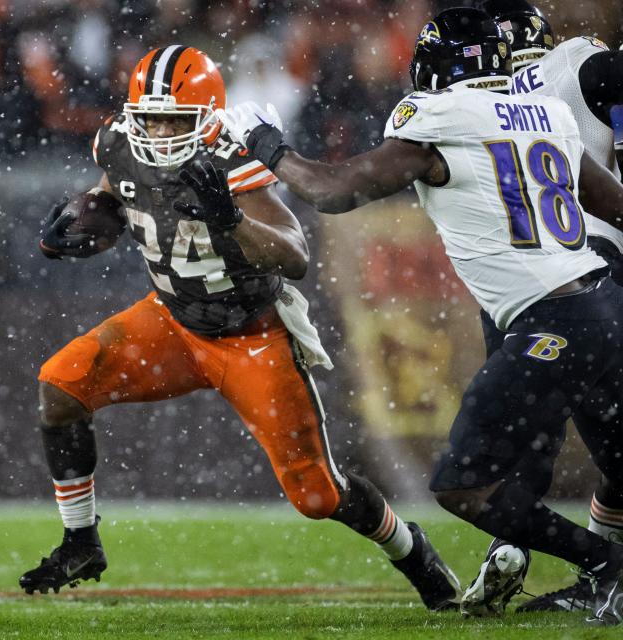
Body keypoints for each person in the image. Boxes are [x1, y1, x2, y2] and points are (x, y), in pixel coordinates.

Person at [210, 7, 623, 626]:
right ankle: (593, 570)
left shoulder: (441, 116)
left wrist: (267, 144)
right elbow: (612, 202)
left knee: (465, 485)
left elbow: (332, 191)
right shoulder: (550, 114)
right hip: (602, 306)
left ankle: (606, 568)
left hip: (551, 317)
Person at [20, 44, 462, 611]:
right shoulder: (116, 142)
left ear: (206, 118)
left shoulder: (232, 157)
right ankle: (81, 540)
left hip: (253, 336)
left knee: (318, 494)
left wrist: (228, 219)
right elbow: (121, 197)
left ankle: (413, 551)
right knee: (61, 386)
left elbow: (295, 255)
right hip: (173, 320)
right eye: (148, 118)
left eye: (172, 121)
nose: (157, 132)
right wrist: (83, 221)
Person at [450, 0, 623, 615]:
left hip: (520, 282)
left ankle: (520, 546)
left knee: (527, 440)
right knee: (615, 446)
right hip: (596, 276)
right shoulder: (576, 63)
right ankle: (608, 575)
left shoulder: (469, 104)